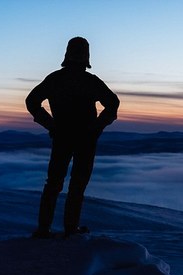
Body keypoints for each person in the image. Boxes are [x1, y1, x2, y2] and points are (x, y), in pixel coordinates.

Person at [26, 37, 120, 238]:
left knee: (54, 183)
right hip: (84, 139)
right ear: (87, 56)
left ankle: (45, 229)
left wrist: (50, 125)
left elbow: (32, 101)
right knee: (76, 184)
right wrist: (96, 128)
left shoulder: (56, 79)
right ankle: (69, 228)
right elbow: (113, 104)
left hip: (63, 137)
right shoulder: (89, 81)